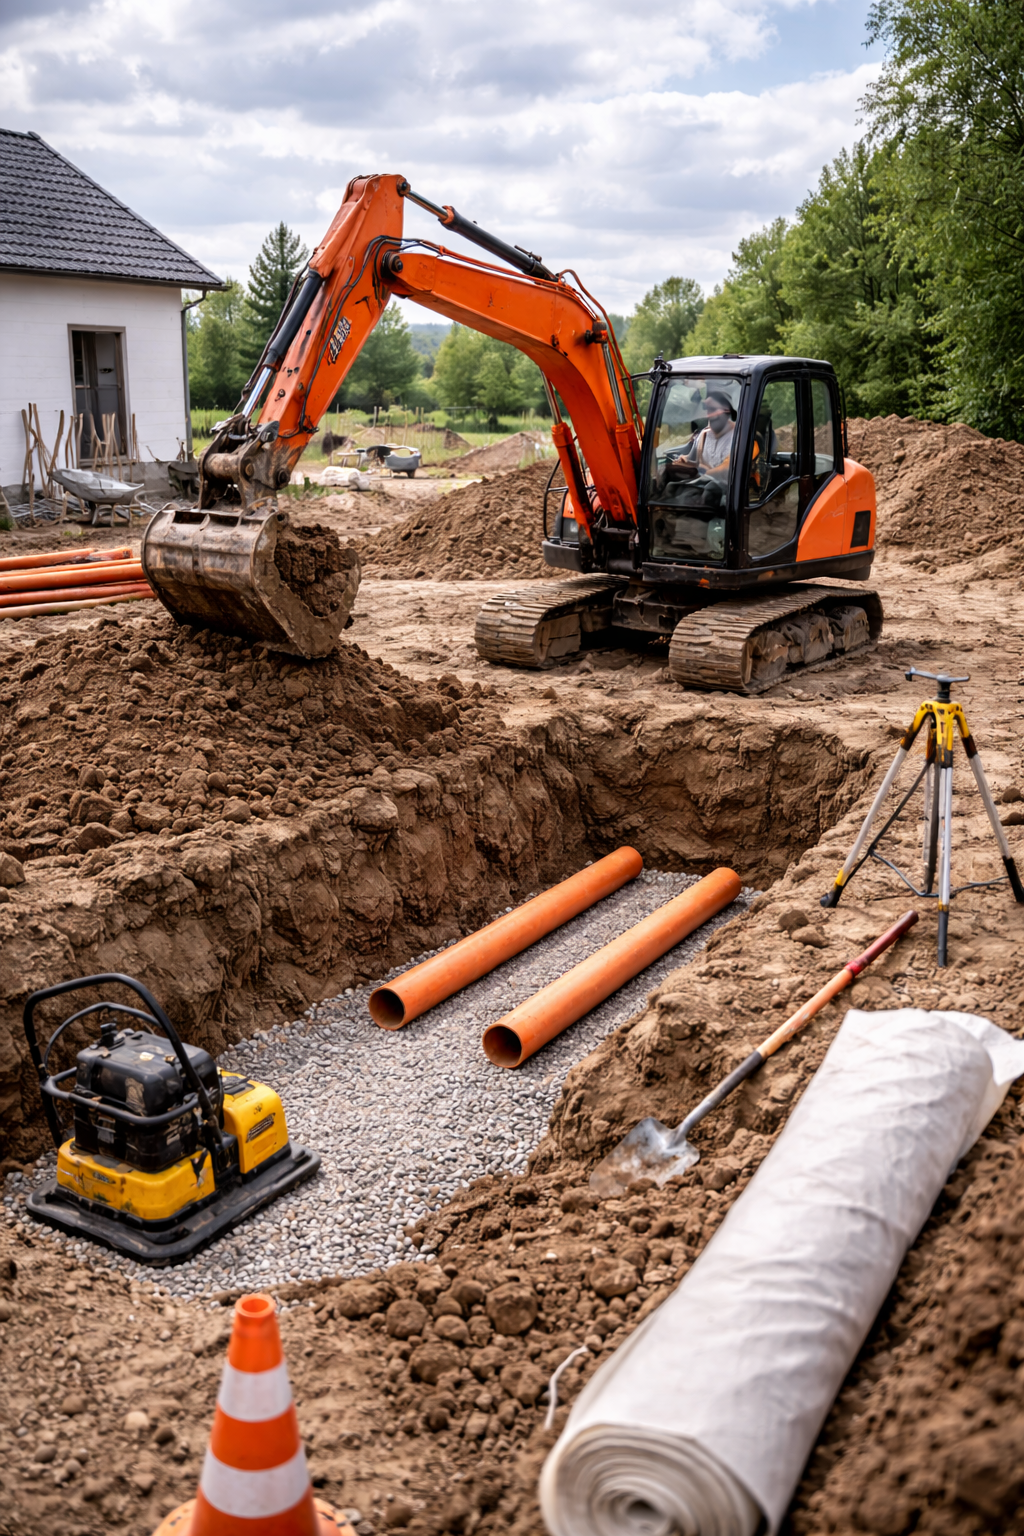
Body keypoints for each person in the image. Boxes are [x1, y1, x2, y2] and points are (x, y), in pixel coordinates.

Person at [656, 391, 740, 507]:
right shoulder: (704, 435)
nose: (709, 414)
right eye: (708, 409)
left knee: (695, 494)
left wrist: (702, 471)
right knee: (670, 487)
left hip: (725, 492)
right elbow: (693, 461)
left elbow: (726, 469)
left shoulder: (738, 437)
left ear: (726, 411)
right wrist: (683, 461)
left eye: (713, 409)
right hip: (703, 483)